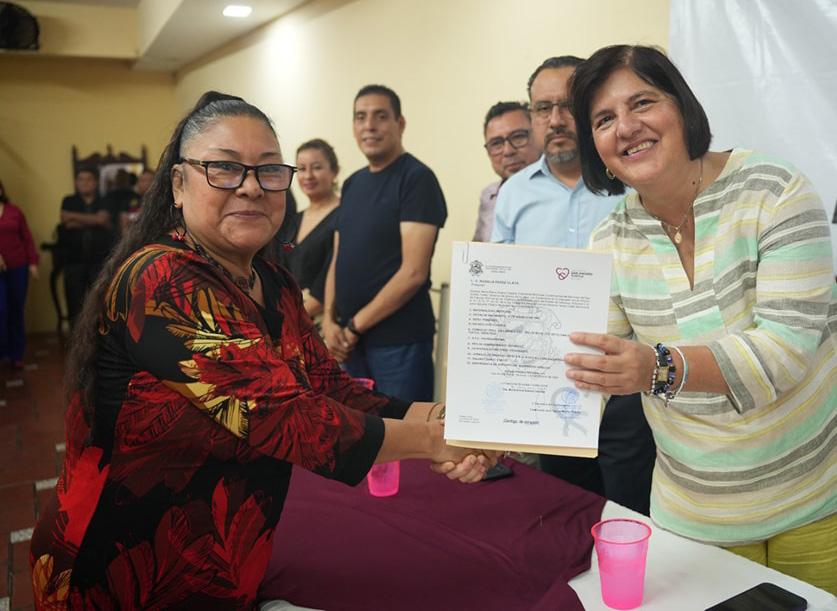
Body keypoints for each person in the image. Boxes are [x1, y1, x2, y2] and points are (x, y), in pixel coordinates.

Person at [30, 91, 493, 609]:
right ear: (179, 185)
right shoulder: (160, 279)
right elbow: (283, 416)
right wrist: (438, 441)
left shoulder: (273, 282)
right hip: (118, 570)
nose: (251, 187)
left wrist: (449, 419)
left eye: (269, 171)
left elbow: (331, 388)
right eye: (225, 168)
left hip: (222, 560)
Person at [565, 44, 836, 594]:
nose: (626, 127)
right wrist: (493, 431)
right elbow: (587, 372)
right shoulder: (610, 239)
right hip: (694, 520)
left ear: (682, 107)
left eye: (643, 102)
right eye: (604, 119)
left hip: (815, 503)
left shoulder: (774, 191)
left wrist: (655, 368)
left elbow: (784, 352)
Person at [491, 56, 656, 515]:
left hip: (626, 384)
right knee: (564, 511)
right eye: (543, 108)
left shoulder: (634, 181)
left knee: (630, 511)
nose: (556, 120)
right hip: (551, 383)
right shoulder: (514, 193)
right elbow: (501, 290)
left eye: (567, 106)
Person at [323, 84, 447, 403]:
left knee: (403, 430)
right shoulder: (352, 183)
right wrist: (329, 319)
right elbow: (338, 256)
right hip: (350, 342)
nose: (369, 126)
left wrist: (353, 327)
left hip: (398, 344)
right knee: (357, 430)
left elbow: (413, 273)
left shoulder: (416, 178)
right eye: (360, 117)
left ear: (399, 123)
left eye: (380, 116)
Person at [281, 139, 340, 322]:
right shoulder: (294, 220)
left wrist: (290, 320)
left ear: (334, 171)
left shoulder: (346, 215)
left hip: (328, 320)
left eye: (316, 167)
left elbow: (336, 277)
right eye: (301, 169)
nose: (308, 176)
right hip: (293, 317)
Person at [473, 101, 541, 241]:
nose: (508, 151)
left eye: (518, 137)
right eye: (496, 143)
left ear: (539, 135)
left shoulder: (561, 189)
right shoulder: (489, 195)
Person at [59, 167, 113, 326]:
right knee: (75, 304)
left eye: (88, 179)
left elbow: (102, 220)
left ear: (95, 182)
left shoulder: (105, 200)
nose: (85, 183)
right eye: (81, 179)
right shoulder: (69, 200)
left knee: (101, 302)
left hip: (100, 261)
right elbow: (66, 222)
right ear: (76, 183)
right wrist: (94, 220)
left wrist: (74, 217)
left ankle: (100, 338)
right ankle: (76, 338)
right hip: (74, 261)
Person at [0, 180, 39, 369]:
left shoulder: (14, 211)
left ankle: (16, 355)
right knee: (2, 310)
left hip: (18, 267)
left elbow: (27, 238)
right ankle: (3, 352)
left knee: (16, 310)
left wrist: (32, 263)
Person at [113, 167, 155, 235]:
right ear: (138, 183)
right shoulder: (128, 200)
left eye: (150, 180)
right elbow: (124, 225)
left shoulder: (161, 201)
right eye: (143, 180)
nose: (147, 183)